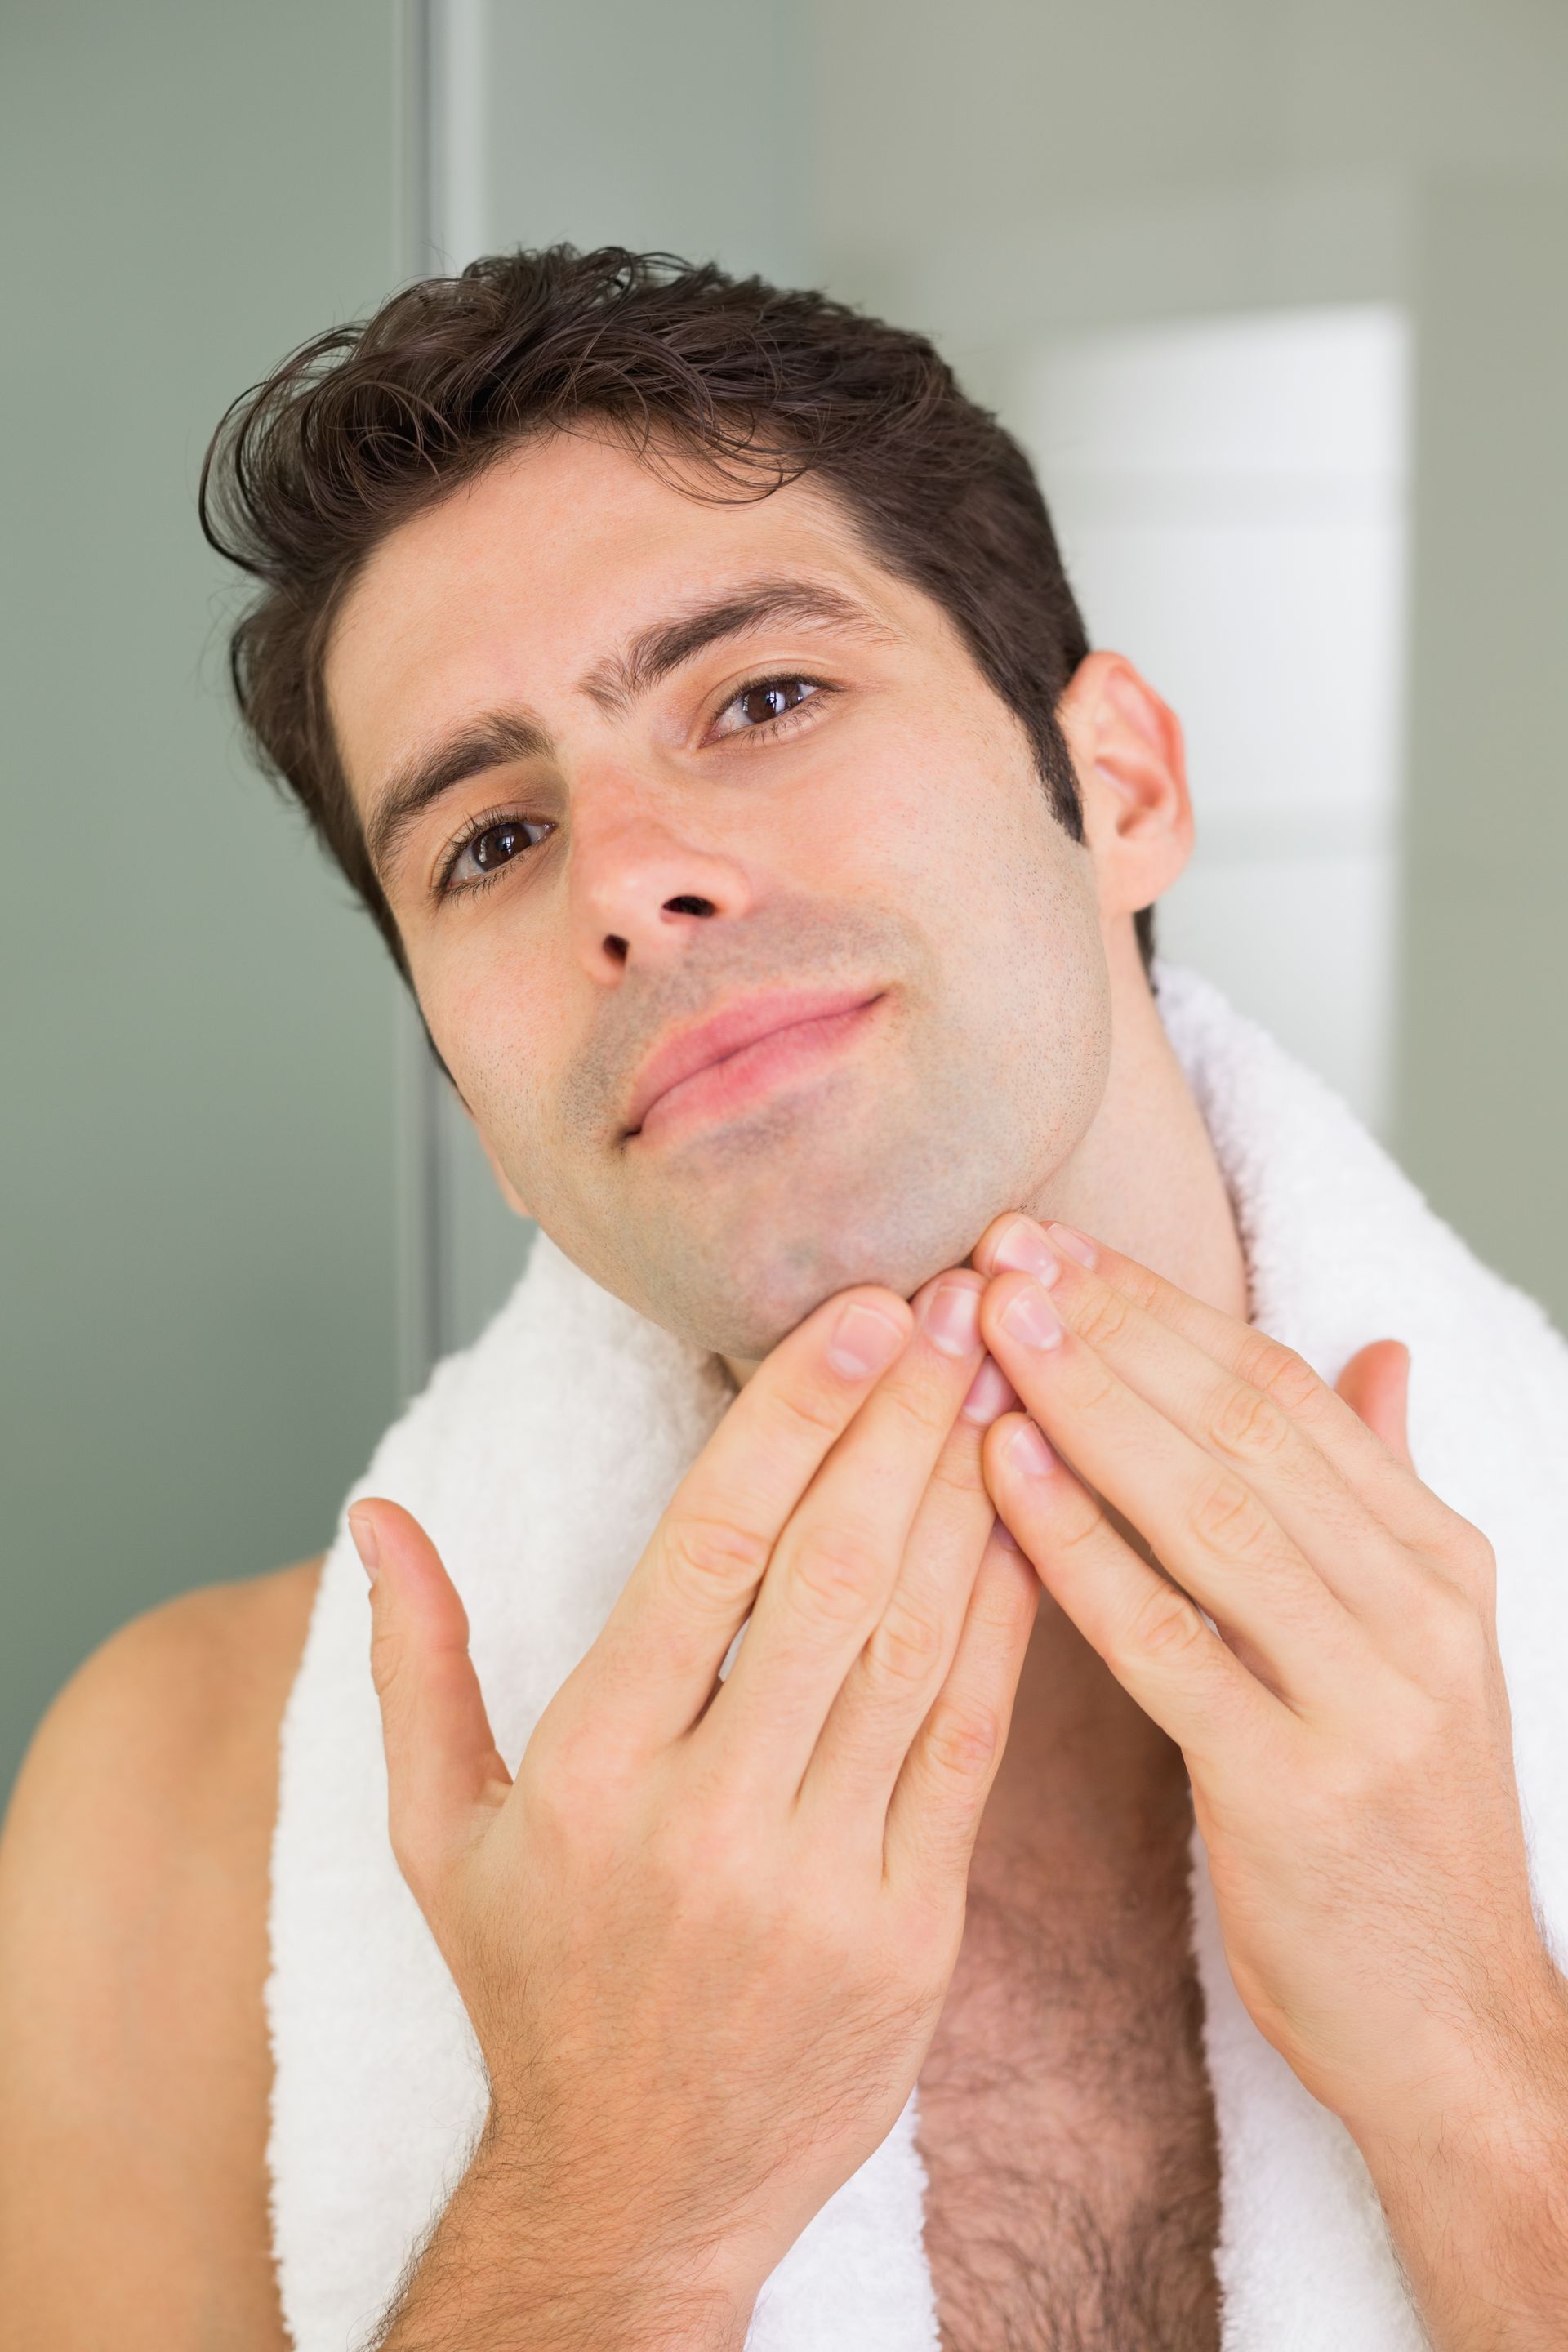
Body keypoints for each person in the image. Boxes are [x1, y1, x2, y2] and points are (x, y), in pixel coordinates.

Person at [2, 246, 1565, 2352]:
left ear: (1118, 785)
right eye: (487, 838)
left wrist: (1485, 2067)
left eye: (760, 697)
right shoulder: (178, 1814)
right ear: (473, 1098)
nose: (631, 874)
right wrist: (615, 2205)